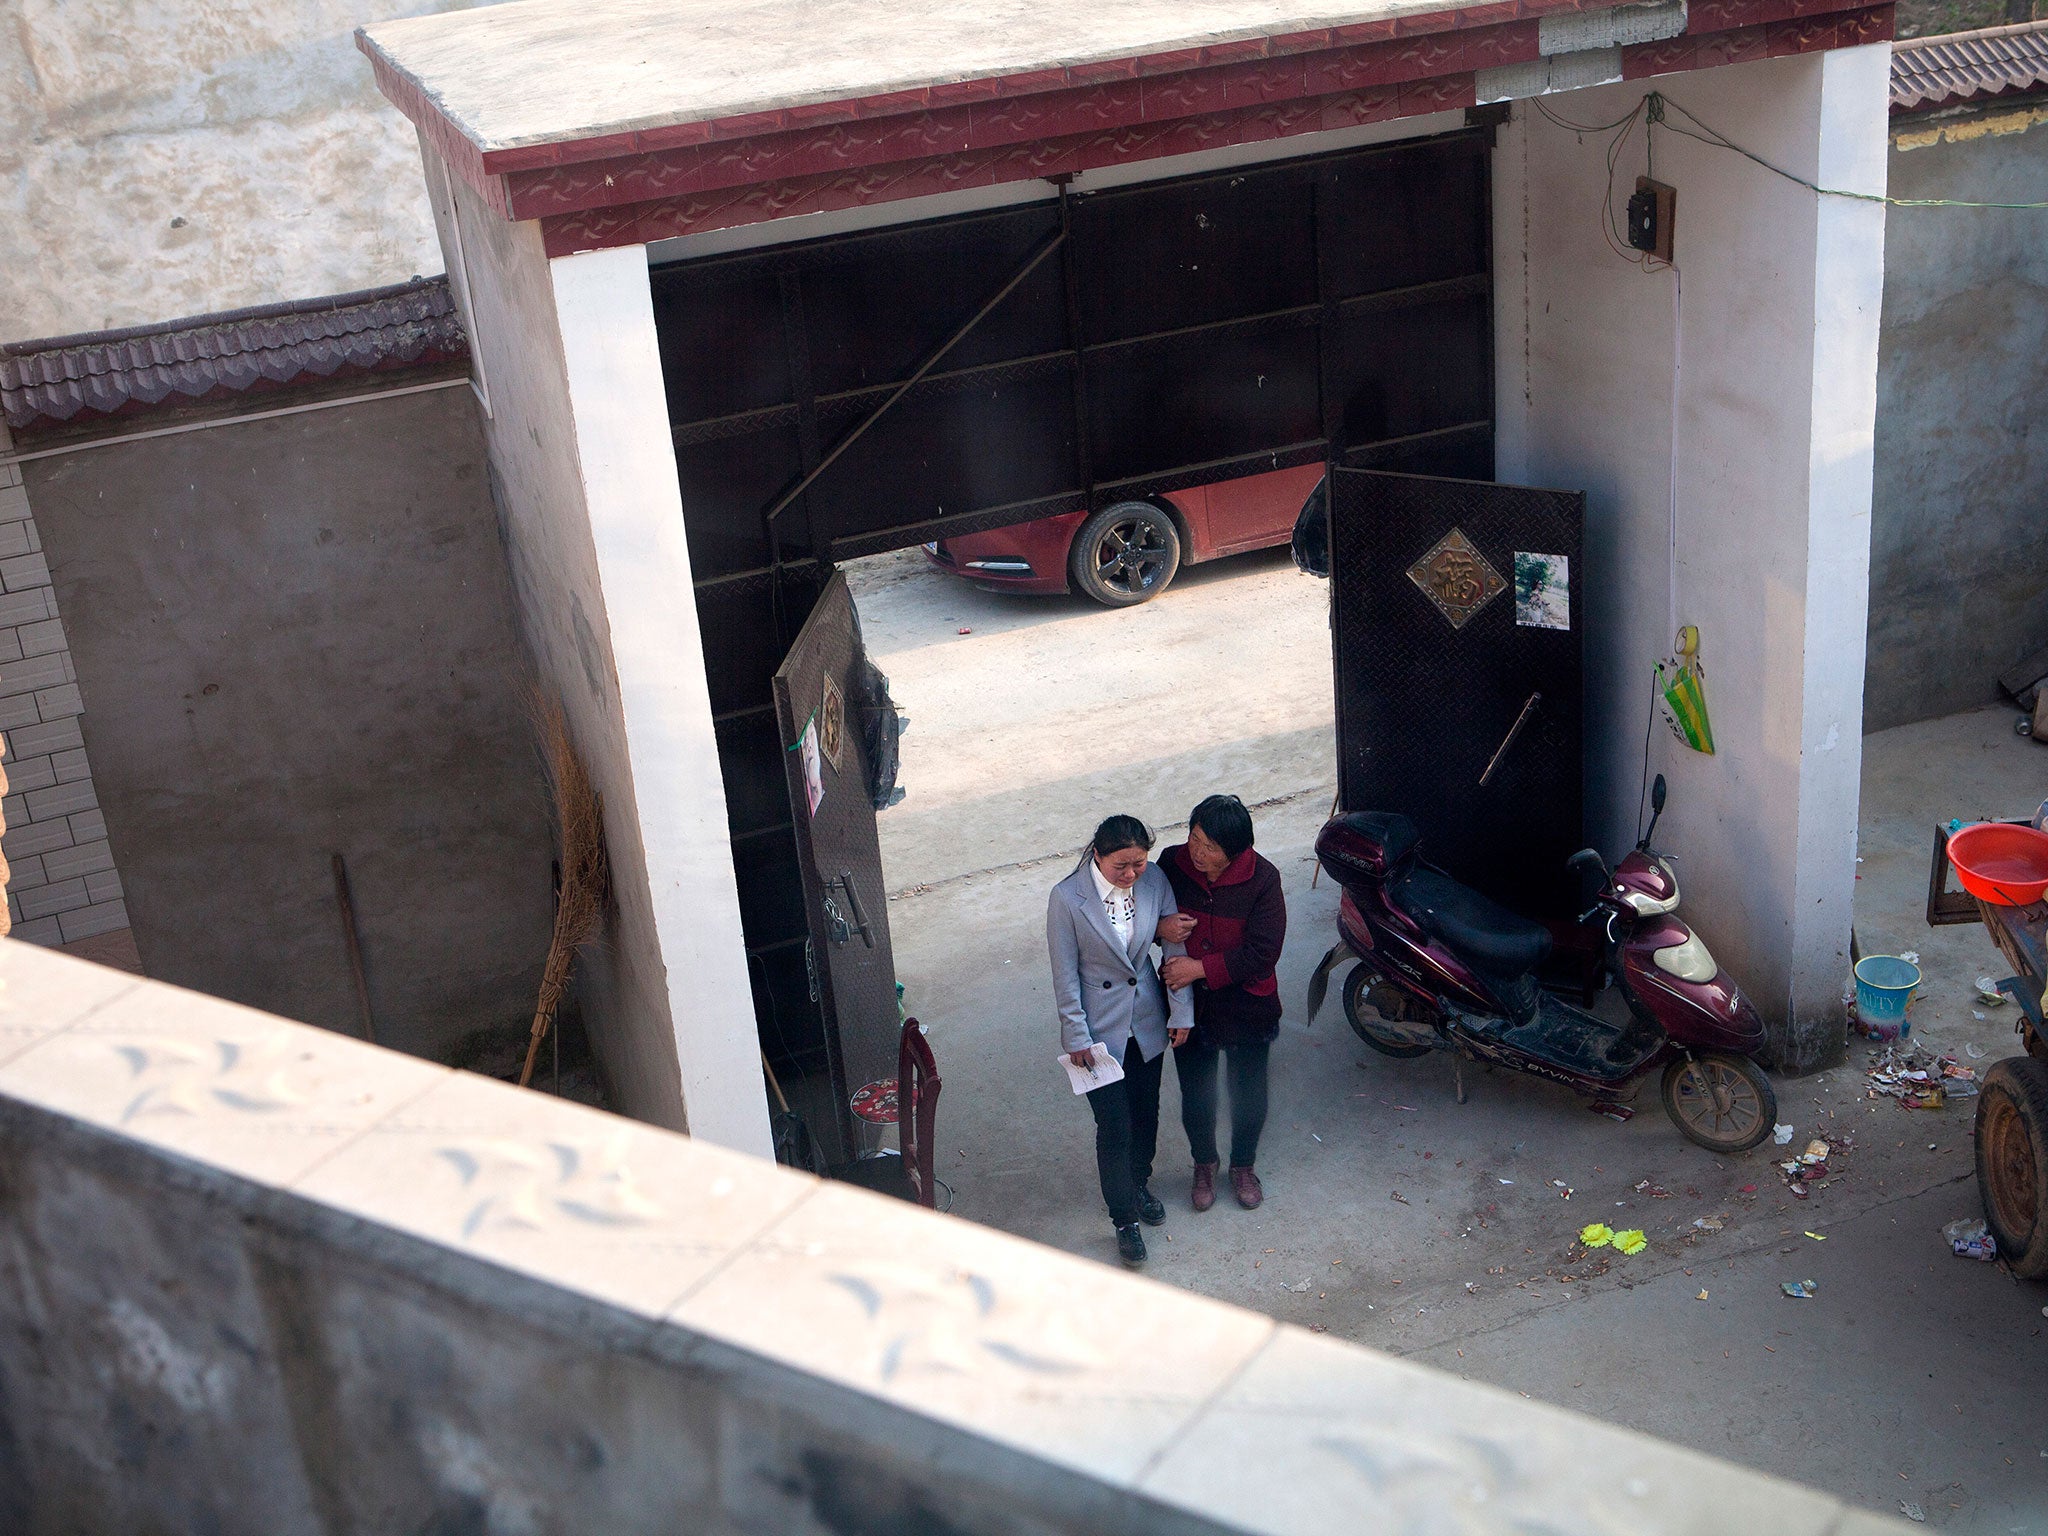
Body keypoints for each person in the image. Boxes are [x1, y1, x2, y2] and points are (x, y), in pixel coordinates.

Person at [1047, 814, 1193, 1266]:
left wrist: (1182, 1011)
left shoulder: (1155, 883)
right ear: (1098, 855)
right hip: (1098, 1033)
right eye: (1121, 866)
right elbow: (1065, 974)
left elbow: (1175, 950)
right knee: (1114, 1125)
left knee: (1145, 1114)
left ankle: (1139, 1182)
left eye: (1139, 864)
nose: (1131, 874)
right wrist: (1076, 1034)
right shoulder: (1067, 899)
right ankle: (1124, 1218)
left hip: (1147, 1021)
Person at [1158, 795, 1287, 1211]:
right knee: (1197, 1090)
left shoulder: (1263, 879)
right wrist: (1161, 925)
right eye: (1194, 837)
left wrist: (1198, 968)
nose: (1197, 852)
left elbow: (1263, 952)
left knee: (1247, 1090)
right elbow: (1139, 912)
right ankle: (1204, 1163)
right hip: (1191, 1007)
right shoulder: (1170, 864)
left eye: (1210, 847)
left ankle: (1243, 1166)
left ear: (1236, 853)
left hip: (1248, 1003)